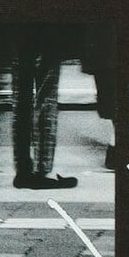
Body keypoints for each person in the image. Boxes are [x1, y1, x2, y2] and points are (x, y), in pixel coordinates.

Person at [10, 23, 76, 191]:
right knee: (46, 95)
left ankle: (23, 170)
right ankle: (41, 170)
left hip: (18, 28)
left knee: (21, 98)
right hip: (47, 28)